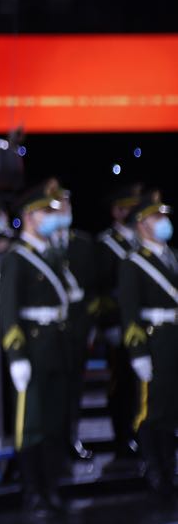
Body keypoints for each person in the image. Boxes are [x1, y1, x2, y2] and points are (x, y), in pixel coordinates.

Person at [0, 181, 75, 518]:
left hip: (56, 345)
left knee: (55, 421)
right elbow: (8, 310)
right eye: (45, 211)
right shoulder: (16, 258)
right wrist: (17, 356)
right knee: (31, 424)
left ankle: (52, 487)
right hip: (32, 348)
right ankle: (33, 492)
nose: (51, 217)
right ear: (29, 216)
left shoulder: (53, 254)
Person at [119, 190, 178, 496]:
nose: (163, 221)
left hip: (173, 339)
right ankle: (154, 468)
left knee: (171, 406)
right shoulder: (133, 263)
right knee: (151, 409)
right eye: (157, 217)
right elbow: (129, 313)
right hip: (153, 342)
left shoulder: (173, 256)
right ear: (142, 223)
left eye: (164, 215)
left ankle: (170, 465)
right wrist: (138, 351)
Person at [98, 183, 146, 460]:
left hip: (142, 322)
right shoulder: (107, 245)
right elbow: (102, 289)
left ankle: (141, 431)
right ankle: (122, 436)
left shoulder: (142, 242)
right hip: (120, 323)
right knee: (122, 384)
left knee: (143, 384)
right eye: (129, 208)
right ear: (117, 212)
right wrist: (109, 325)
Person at [54, 187, 97, 461]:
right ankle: (52, 444)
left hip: (77, 329)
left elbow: (92, 289)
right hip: (48, 332)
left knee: (74, 388)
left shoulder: (82, 243)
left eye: (66, 206)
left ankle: (71, 437)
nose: (63, 212)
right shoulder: (41, 247)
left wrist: (87, 327)